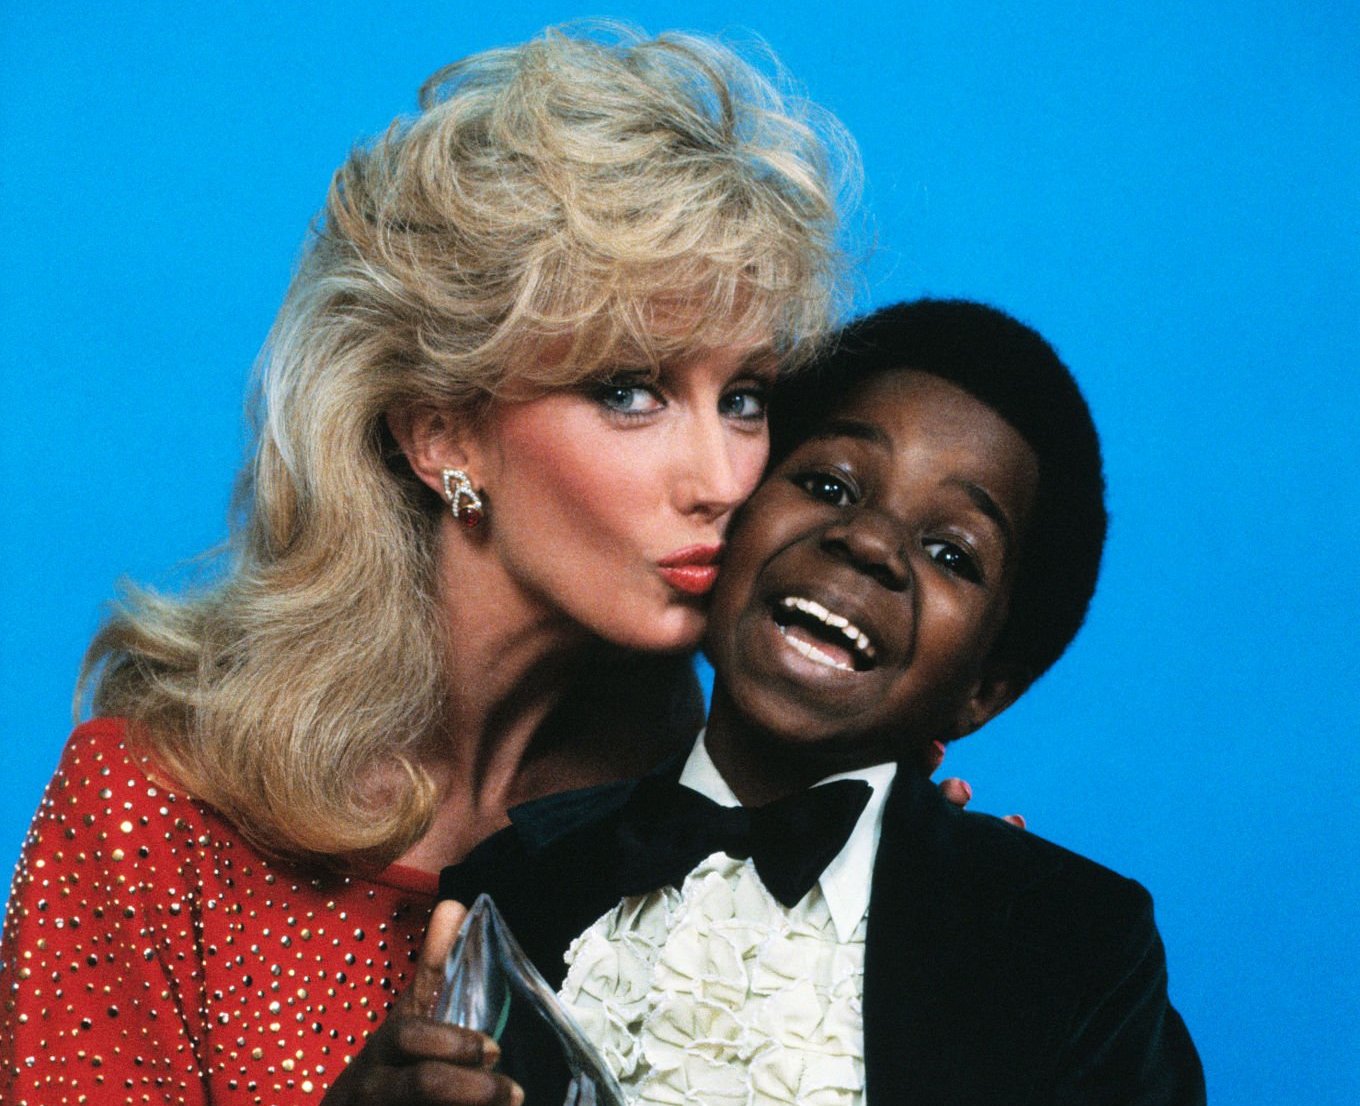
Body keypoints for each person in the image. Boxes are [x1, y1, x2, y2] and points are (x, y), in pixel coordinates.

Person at [0, 26, 860, 1106]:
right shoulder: (154, 811)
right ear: (441, 435)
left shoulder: (730, 815)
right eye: (629, 389)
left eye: (745, 396)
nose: (726, 476)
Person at [442, 300, 1206, 1105]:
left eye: (951, 553)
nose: (870, 542)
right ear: (727, 535)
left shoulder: (1066, 944)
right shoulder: (513, 878)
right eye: (828, 484)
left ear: (983, 692)